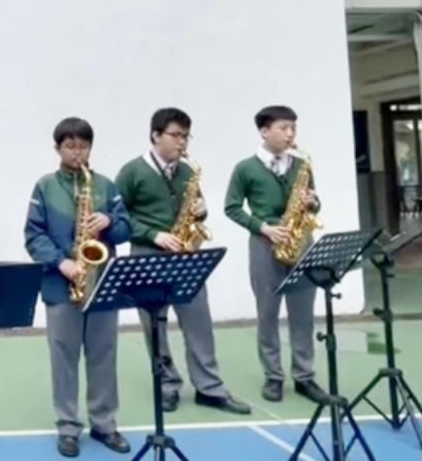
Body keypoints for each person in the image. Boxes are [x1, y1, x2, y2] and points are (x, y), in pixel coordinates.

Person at [114, 107, 251, 415]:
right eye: (175, 135)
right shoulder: (131, 171)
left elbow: (194, 209)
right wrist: (154, 234)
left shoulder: (187, 171)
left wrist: (201, 211)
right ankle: (167, 385)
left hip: (185, 254)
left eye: (186, 136)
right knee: (155, 326)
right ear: (155, 136)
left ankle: (209, 387)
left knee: (199, 320)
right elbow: (117, 218)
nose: (182, 142)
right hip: (147, 256)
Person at [24, 117, 133, 458]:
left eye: (83, 146)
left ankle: (105, 424)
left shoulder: (106, 186)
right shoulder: (44, 187)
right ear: (57, 148)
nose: (77, 153)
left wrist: (110, 221)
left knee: (104, 355)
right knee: (64, 358)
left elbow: (126, 229)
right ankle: (68, 426)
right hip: (61, 285)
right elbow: (33, 235)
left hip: (102, 283)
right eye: (70, 146)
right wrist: (61, 262)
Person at [224, 105, 325, 404]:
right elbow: (231, 207)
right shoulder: (245, 168)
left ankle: (304, 376)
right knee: (267, 313)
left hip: (300, 240)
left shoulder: (302, 164)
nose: (290, 134)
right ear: (264, 131)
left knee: (303, 313)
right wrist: (264, 228)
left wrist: (313, 202)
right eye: (284, 128)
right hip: (264, 244)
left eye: (293, 128)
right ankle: (273, 376)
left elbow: (314, 202)